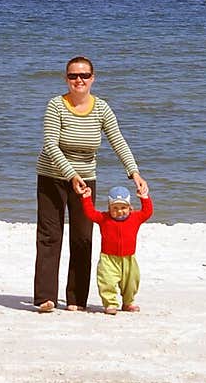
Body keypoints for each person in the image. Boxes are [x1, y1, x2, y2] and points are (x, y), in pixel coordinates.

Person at [33, 56, 148, 313]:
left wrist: (135, 173)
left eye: (84, 75)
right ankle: (45, 297)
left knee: (83, 237)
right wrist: (71, 175)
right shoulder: (56, 105)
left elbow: (117, 140)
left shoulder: (101, 108)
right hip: (52, 176)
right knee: (50, 236)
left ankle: (76, 299)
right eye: (73, 76)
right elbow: (50, 145)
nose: (79, 80)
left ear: (92, 78)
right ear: (66, 78)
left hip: (85, 181)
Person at [81, 183, 153, 313]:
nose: (119, 211)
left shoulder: (135, 218)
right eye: (115, 208)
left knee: (131, 283)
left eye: (123, 207)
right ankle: (110, 304)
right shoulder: (104, 218)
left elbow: (147, 212)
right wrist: (86, 198)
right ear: (109, 207)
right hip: (108, 258)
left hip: (129, 258)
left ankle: (128, 302)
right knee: (107, 281)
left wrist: (144, 197)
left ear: (129, 207)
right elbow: (90, 213)